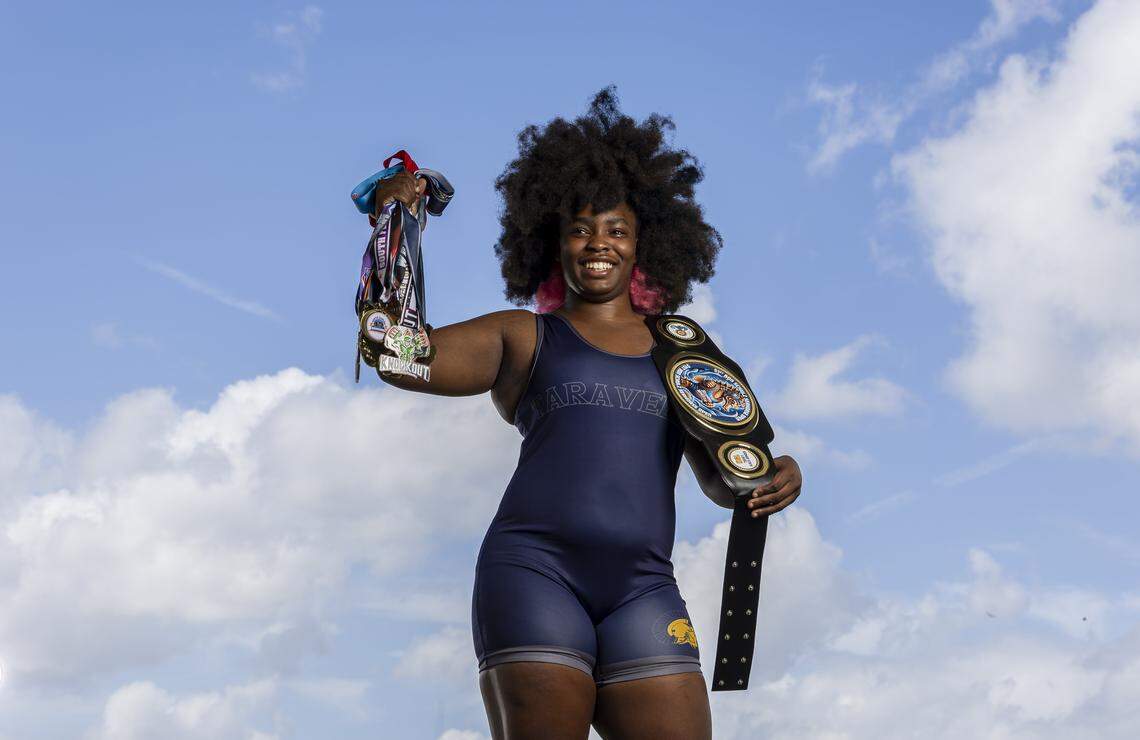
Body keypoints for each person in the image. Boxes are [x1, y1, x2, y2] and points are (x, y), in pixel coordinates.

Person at [373, 86, 803, 740]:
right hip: (533, 575)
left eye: (615, 229)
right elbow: (399, 354)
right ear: (555, 242)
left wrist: (772, 481)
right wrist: (392, 227)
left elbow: (723, 481)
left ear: (642, 246)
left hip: (643, 590)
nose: (596, 243)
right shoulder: (524, 335)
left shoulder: (683, 350)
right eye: (579, 228)